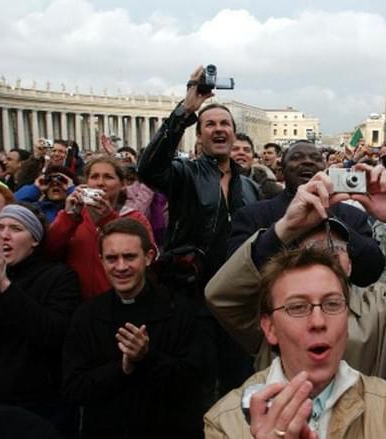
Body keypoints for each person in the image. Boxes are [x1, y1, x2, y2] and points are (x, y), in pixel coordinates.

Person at [206, 163, 386, 387]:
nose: (326, 255)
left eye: (336, 248)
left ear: (350, 264)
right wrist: (286, 227)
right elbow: (223, 297)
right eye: (314, 249)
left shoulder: (382, 309)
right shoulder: (271, 309)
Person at [204, 246, 386, 438]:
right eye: (297, 307)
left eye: (332, 304)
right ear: (270, 328)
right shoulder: (226, 423)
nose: (318, 322)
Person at [62, 218, 205, 439]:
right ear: (101, 261)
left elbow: (195, 382)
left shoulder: (181, 311)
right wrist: (123, 368)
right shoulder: (87, 316)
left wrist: (147, 358)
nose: (120, 267)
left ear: (148, 258)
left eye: (129, 257)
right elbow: (75, 387)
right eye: (111, 258)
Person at [138, 66, 260, 285]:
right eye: (210, 124)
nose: (219, 129)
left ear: (233, 133)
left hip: (236, 292)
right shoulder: (184, 174)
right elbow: (149, 169)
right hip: (189, 290)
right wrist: (184, 111)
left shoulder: (251, 187)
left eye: (225, 124)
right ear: (199, 137)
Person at [226, 140, 385, 287]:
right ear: (282, 169)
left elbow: (371, 273)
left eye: (315, 158)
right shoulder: (252, 215)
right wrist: (284, 229)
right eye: (297, 157)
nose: (308, 161)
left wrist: (331, 219)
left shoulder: (353, 216)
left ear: (324, 168)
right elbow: (233, 276)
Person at [0, 204, 81, 437]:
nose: (4, 235)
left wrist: (4, 285)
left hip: (39, 407)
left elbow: (53, 333)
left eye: (15, 228)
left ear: (34, 239)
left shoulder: (59, 277)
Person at [46, 156, 155, 300]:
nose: (100, 183)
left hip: (118, 301)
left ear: (122, 184)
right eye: (94, 177)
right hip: (76, 303)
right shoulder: (74, 216)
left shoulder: (135, 218)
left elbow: (149, 261)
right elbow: (49, 250)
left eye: (108, 177)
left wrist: (107, 220)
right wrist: (69, 217)